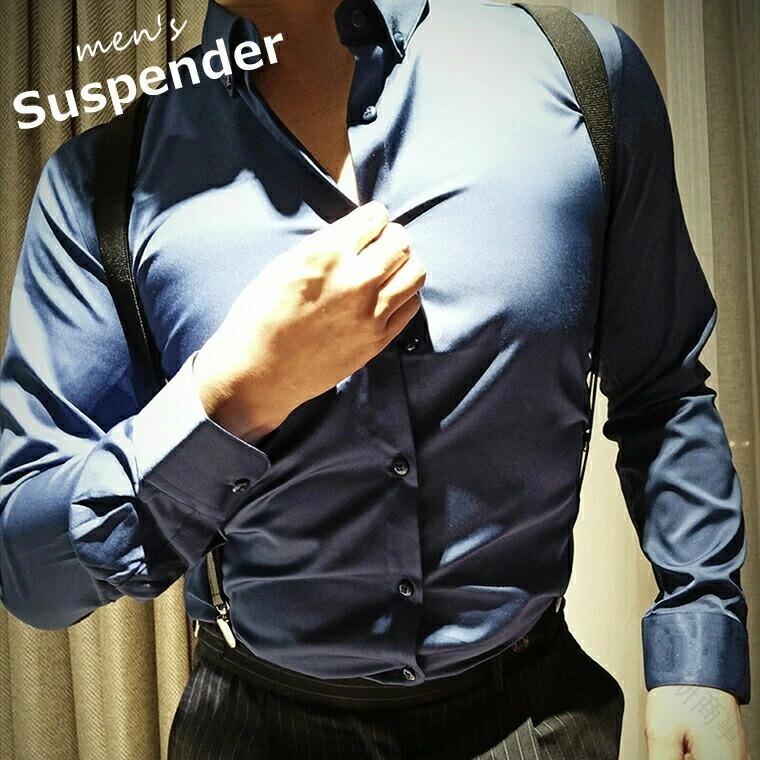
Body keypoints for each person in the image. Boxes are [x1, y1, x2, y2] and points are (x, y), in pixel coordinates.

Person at [0, 0, 751, 758]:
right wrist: (232, 397)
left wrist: (697, 651)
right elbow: (32, 573)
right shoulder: (102, 185)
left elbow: (663, 393)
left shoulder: (580, 71)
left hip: (533, 717)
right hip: (252, 727)